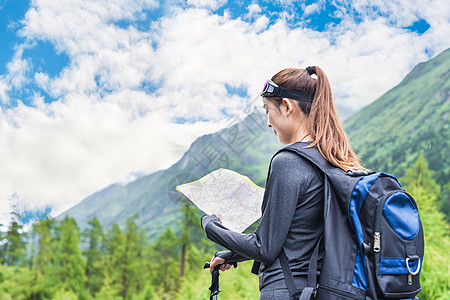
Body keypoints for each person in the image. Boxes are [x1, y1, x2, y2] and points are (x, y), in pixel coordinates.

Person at [201, 66, 365, 299]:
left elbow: (265, 248)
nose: (268, 122)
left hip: (287, 291)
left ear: (287, 107)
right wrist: (232, 254)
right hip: (317, 290)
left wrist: (211, 227)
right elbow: (295, 237)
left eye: (268, 110)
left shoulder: (288, 162)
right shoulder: (332, 159)